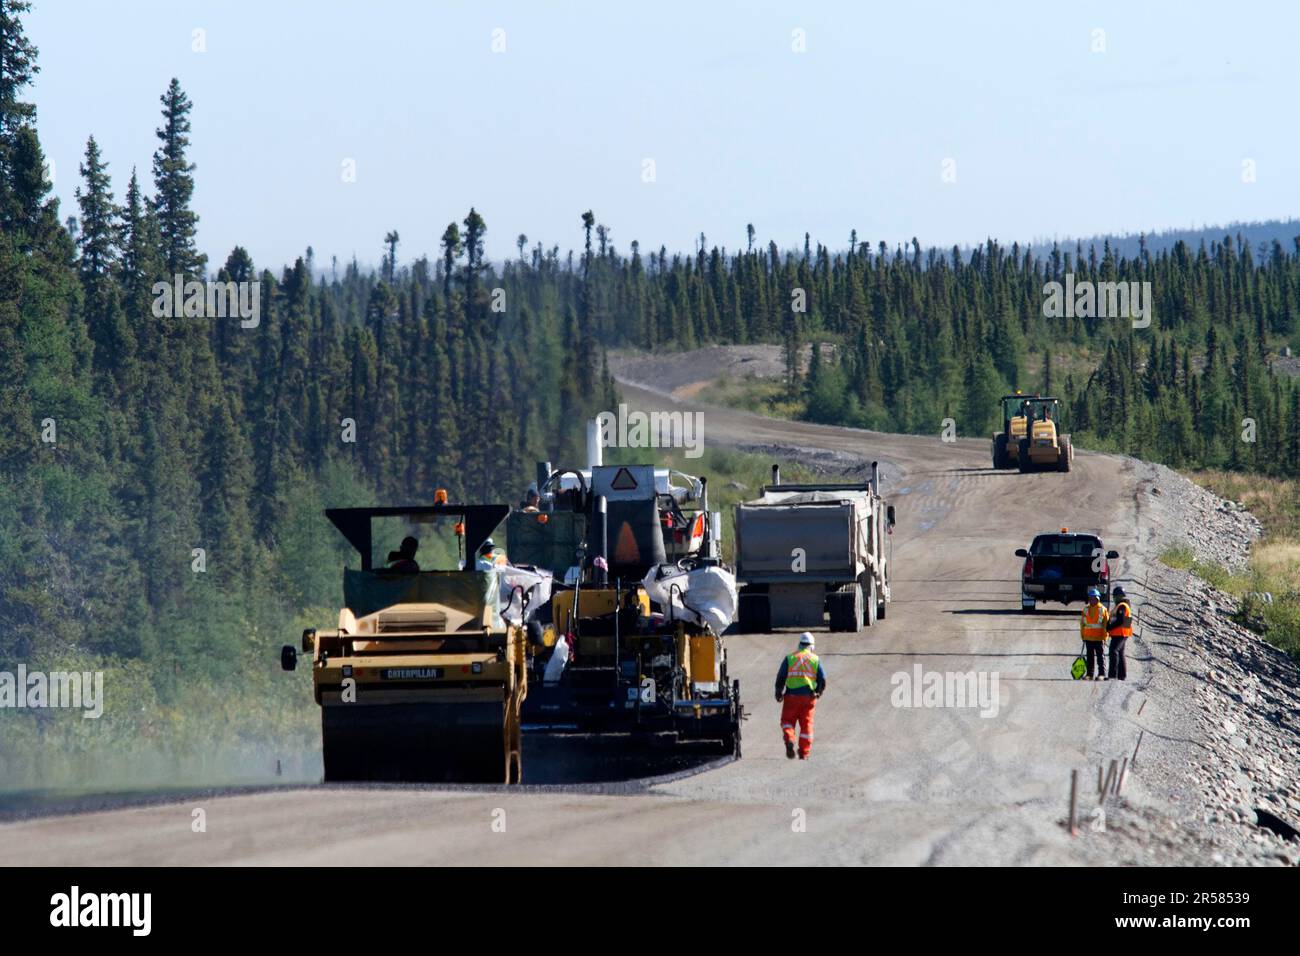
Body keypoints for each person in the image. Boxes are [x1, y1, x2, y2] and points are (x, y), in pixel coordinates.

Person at [774, 632, 826, 760]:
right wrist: (819, 691)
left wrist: (778, 692)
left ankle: (790, 739)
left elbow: (781, 677)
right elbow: (822, 679)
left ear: (799, 644)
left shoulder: (790, 658)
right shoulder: (815, 659)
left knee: (787, 722)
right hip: (808, 698)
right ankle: (804, 753)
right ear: (812, 646)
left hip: (791, 697)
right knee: (806, 725)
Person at [1079, 587, 1109, 680]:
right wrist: (1083, 636)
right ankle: (1089, 674)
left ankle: (1102, 674)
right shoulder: (1085, 610)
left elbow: (1106, 624)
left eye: (1094, 598)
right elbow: (1082, 624)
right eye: (1091, 598)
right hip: (1088, 638)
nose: (1092, 600)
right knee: (1090, 658)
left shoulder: (1103, 609)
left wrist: (1105, 637)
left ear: (1098, 599)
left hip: (1099, 638)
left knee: (1101, 658)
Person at [1106, 586, 1133, 681]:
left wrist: (1109, 627)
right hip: (1122, 633)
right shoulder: (1123, 606)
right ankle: (1122, 675)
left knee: (1113, 651)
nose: (1114, 598)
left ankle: (1113, 675)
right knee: (1120, 653)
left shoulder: (1122, 606)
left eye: (1115, 596)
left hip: (1120, 633)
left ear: (1120, 596)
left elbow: (1121, 620)